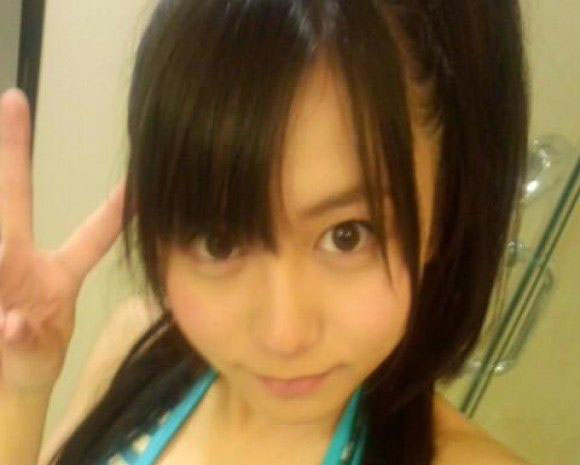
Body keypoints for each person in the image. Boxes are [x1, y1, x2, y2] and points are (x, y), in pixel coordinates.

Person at [0, 0, 532, 464]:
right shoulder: (135, 348)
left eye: (348, 235)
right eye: (220, 242)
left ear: (442, 214)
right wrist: (20, 392)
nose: (284, 335)